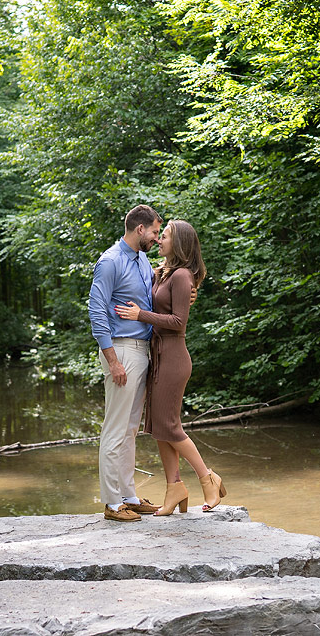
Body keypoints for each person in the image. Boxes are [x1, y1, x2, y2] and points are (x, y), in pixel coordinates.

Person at [114, 219, 226, 514]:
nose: (159, 240)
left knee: (171, 427)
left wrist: (141, 315)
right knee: (158, 427)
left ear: (178, 244)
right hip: (158, 358)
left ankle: (208, 478)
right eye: (159, 235)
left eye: (163, 236)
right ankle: (175, 487)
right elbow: (141, 280)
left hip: (174, 359)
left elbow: (178, 322)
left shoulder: (181, 276)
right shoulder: (163, 273)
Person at [88, 204, 163, 521]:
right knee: (115, 429)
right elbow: (96, 311)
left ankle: (129, 496)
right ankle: (112, 503)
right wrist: (113, 360)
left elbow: (149, 297)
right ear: (140, 229)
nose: (158, 239)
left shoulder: (143, 260)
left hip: (142, 349)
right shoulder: (110, 262)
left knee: (130, 430)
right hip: (121, 351)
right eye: (155, 232)